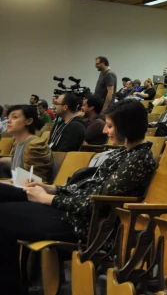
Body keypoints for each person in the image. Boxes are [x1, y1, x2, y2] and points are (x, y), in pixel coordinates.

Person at [0, 100, 156, 293]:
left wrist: (49, 199)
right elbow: (88, 190)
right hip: (69, 211)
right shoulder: (124, 154)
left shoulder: (138, 159)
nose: (105, 131)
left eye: (109, 126)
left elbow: (100, 204)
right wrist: (51, 190)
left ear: (127, 127)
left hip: (82, 223)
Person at [0, 104, 52, 182]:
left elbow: (35, 182)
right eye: (8, 117)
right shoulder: (17, 144)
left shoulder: (34, 144)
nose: (8, 121)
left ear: (29, 121)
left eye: (14, 117)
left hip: (30, 191)